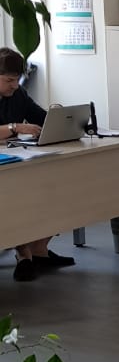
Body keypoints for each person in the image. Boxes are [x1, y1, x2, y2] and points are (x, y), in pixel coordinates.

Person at [0, 48, 75, 282]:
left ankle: (39, 250)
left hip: (17, 161)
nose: (15, 85)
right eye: (9, 80)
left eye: (17, 80)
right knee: (19, 197)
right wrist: (14, 127)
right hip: (6, 171)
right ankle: (24, 255)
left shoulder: (19, 94)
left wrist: (62, 119)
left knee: (56, 186)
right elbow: (14, 128)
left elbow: (42, 118)